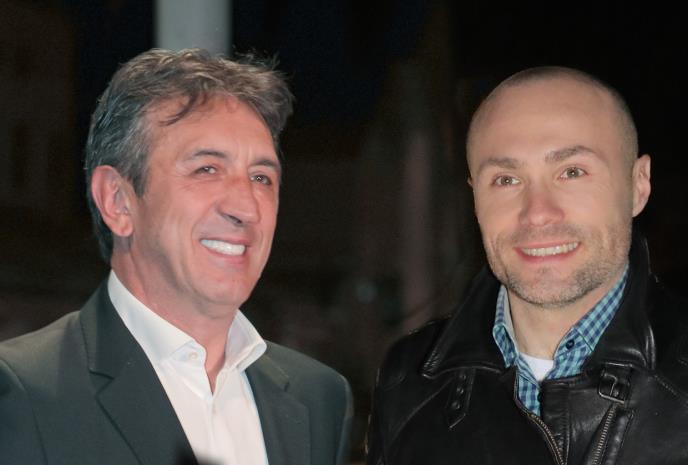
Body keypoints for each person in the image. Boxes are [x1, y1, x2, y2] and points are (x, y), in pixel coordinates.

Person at [0, 48, 352, 465]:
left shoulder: (319, 400)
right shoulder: (24, 394)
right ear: (117, 201)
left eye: (262, 178)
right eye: (207, 169)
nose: (247, 207)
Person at [366, 67, 688, 464]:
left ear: (638, 185)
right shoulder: (408, 380)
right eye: (506, 180)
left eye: (571, 172)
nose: (537, 213)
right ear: (475, 198)